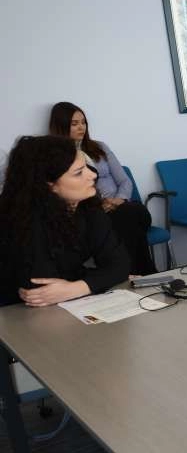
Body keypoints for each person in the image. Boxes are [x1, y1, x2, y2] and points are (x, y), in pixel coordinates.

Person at [0, 136, 130, 307]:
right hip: (14, 309)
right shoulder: (23, 218)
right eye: (78, 173)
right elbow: (40, 288)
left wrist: (76, 287)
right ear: (49, 184)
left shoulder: (87, 204)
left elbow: (120, 264)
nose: (93, 175)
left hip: (59, 306)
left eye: (87, 167)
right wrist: (99, 278)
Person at [48, 102, 157, 275]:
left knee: (129, 214)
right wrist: (100, 207)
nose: (81, 127)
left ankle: (128, 275)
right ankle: (147, 273)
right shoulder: (56, 156)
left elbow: (125, 181)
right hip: (98, 213)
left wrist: (118, 200)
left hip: (124, 205)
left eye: (83, 122)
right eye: (74, 124)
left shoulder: (99, 147)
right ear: (61, 126)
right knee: (127, 224)